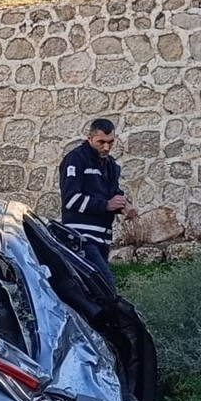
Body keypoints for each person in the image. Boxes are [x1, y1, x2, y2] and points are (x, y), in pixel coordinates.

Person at [58, 118, 138, 292]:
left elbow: (112, 193)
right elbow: (71, 199)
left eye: (111, 142)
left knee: (95, 291)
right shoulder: (75, 159)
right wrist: (106, 205)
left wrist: (124, 205)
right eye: (101, 142)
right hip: (81, 238)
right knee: (106, 287)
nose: (106, 147)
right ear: (89, 138)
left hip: (103, 239)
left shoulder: (111, 165)